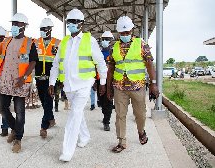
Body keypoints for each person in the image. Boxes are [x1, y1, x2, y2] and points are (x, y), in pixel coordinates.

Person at [48, 9, 108, 162]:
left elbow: (100, 62)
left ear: (81, 24)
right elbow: (55, 65)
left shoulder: (90, 40)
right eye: (70, 22)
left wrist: (102, 82)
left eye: (75, 22)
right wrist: (51, 83)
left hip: (84, 83)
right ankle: (86, 136)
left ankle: (67, 150)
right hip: (68, 85)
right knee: (77, 112)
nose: (72, 24)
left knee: (74, 115)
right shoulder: (64, 42)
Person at [0, 13, 38, 153]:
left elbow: (33, 61)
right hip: (5, 81)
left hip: (20, 82)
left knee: (20, 112)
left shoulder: (30, 42)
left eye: (17, 24)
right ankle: (15, 128)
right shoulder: (7, 41)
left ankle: (18, 138)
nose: (14, 26)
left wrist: (24, 76)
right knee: (2, 108)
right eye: (13, 24)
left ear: (24, 26)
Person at [106, 16, 159, 153]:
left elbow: (150, 65)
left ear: (132, 30)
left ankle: (141, 132)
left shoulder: (142, 44)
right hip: (119, 88)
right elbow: (111, 69)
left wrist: (153, 84)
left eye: (127, 33)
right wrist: (108, 88)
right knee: (120, 115)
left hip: (138, 87)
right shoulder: (114, 48)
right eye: (122, 33)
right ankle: (121, 141)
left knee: (140, 114)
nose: (124, 35)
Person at [34, 18, 61, 138]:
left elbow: (61, 62)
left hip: (52, 79)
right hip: (39, 77)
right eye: (42, 29)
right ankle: (51, 119)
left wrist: (60, 80)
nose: (44, 31)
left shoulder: (57, 43)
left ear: (50, 30)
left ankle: (44, 127)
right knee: (44, 101)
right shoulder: (35, 42)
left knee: (48, 101)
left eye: (46, 29)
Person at [97, 30, 114, 131]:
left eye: (107, 39)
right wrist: (95, 81)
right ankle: (105, 115)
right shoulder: (98, 52)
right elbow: (95, 66)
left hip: (110, 81)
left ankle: (107, 121)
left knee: (108, 101)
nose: (104, 41)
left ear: (111, 41)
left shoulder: (114, 52)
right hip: (99, 81)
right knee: (102, 100)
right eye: (103, 39)